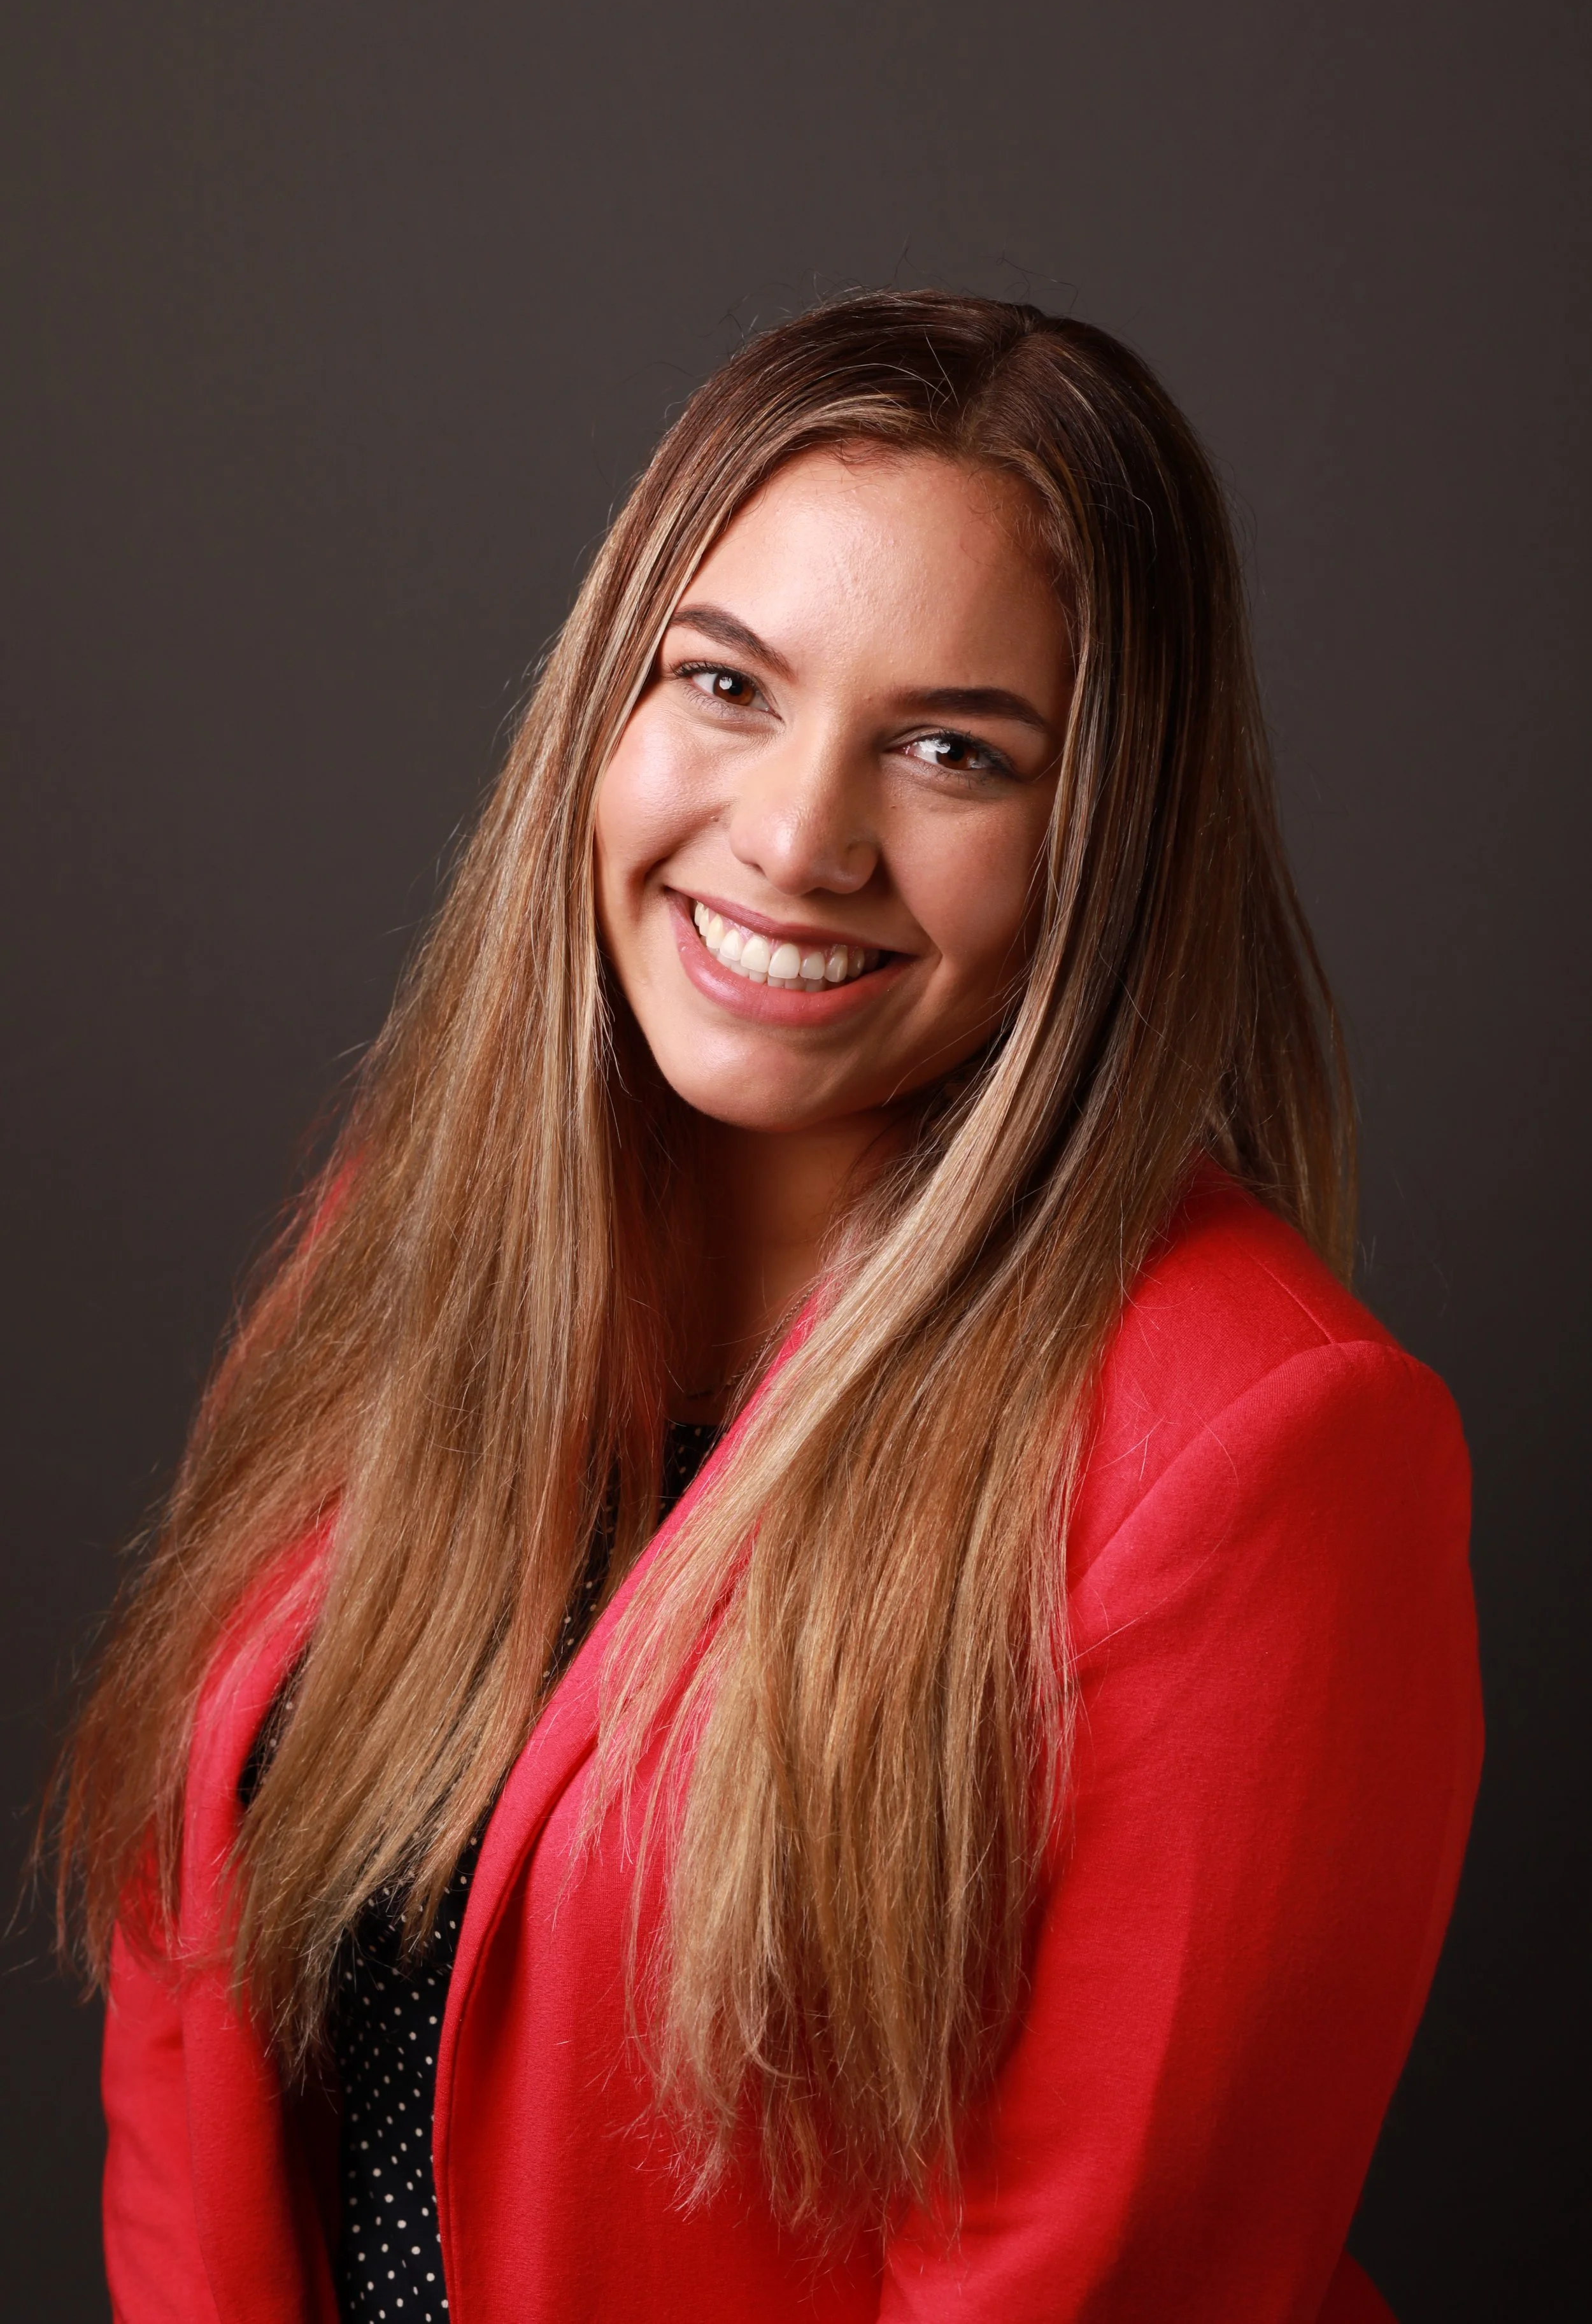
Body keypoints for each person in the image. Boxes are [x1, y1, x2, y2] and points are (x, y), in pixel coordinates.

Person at [52, 292, 1481, 2323]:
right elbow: (188, 2013)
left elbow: (1075, 2291)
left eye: (949, 750)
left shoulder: (1262, 1450)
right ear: (602, 710)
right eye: (723, 684)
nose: (799, 840)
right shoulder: (402, 1236)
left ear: (1104, 840)